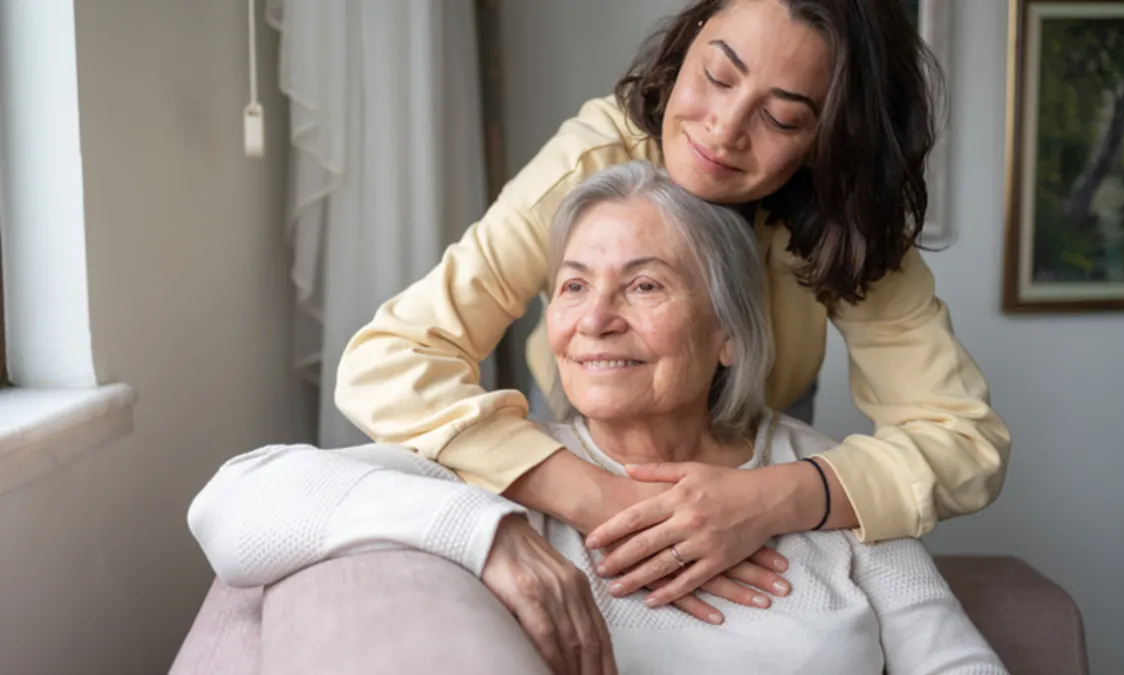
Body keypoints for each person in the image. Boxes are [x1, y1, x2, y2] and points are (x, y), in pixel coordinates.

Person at [333, 0, 1011, 619]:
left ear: (830, 140)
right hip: (580, 444)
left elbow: (965, 442)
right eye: (717, 75)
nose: (723, 128)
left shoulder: (847, 222)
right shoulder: (591, 161)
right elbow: (387, 361)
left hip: (765, 445)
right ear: (687, 42)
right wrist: (598, 496)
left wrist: (772, 497)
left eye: (781, 117)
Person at [189, 163, 1008, 675]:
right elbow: (232, 502)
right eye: (574, 285)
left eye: (645, 286)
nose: (595, 319)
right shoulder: (503, 465)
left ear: (728, 332)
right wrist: (492, 534)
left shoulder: (825, 482)